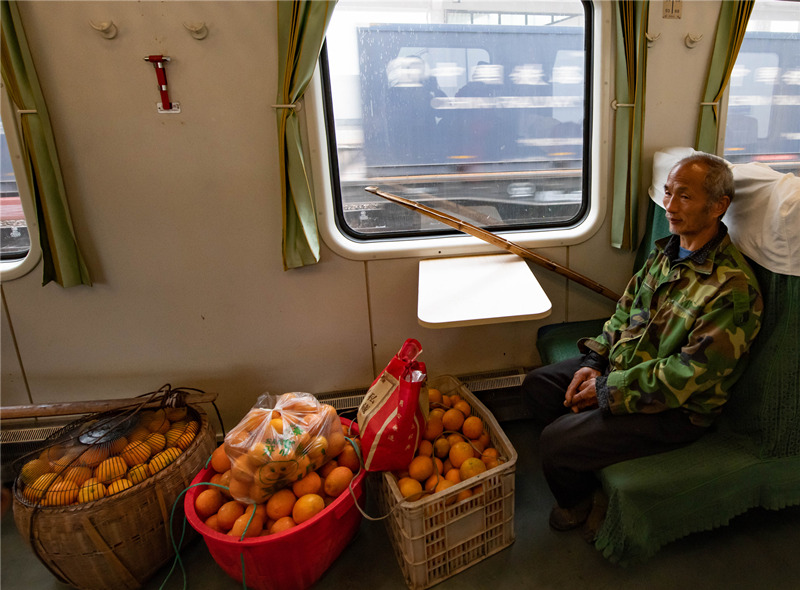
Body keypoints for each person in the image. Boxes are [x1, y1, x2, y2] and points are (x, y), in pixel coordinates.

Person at [521, 153, 763, 537]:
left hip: (677, 410)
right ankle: (584, 457)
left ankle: (578, 500)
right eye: (667, 193)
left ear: (719, 206)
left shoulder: (731, 289)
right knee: (538, 386)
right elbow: (626, 310)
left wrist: (605, 391)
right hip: (625, 368)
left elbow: (689, 377)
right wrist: (596, 360)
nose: (669, 206)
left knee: (554, 444)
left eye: (684, 196)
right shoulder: (667, 251)